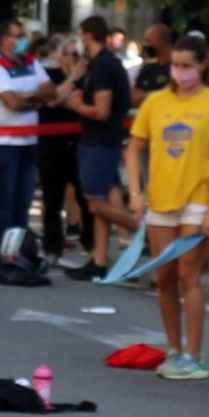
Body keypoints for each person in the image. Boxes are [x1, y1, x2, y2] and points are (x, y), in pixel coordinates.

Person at [120, 36, 209, 377]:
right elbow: (133, 149)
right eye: (176, 65)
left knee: (188, 275)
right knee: (164, 277)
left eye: (187, 66)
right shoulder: (156, 103)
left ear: (203, 66)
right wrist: (136, 193)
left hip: (197, 199)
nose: (180, 72)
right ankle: (174, 349)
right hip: (161, 200)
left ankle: (194, 354)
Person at [56, 17, 129, 268]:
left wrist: (77, 105)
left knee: (96, 204)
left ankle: (149, 231)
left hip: (99, 143)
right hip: (100, 142)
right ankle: (98, 260)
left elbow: (101, 111)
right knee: (101, 200)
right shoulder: (102, 64)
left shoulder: (102, 67)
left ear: (87, 35)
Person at [0, 24, 50, 259]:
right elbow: (12, 103)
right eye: (16, 36)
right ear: (3, 39)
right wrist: (35, 99)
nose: (21, 40)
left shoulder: (31, 62)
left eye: (23, 35)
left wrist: (29, 97)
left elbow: (51, 92)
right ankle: (3, 252)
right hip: (4, 142)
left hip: (28, 140)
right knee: (6, 201)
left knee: (24, 200)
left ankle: (18, 250)